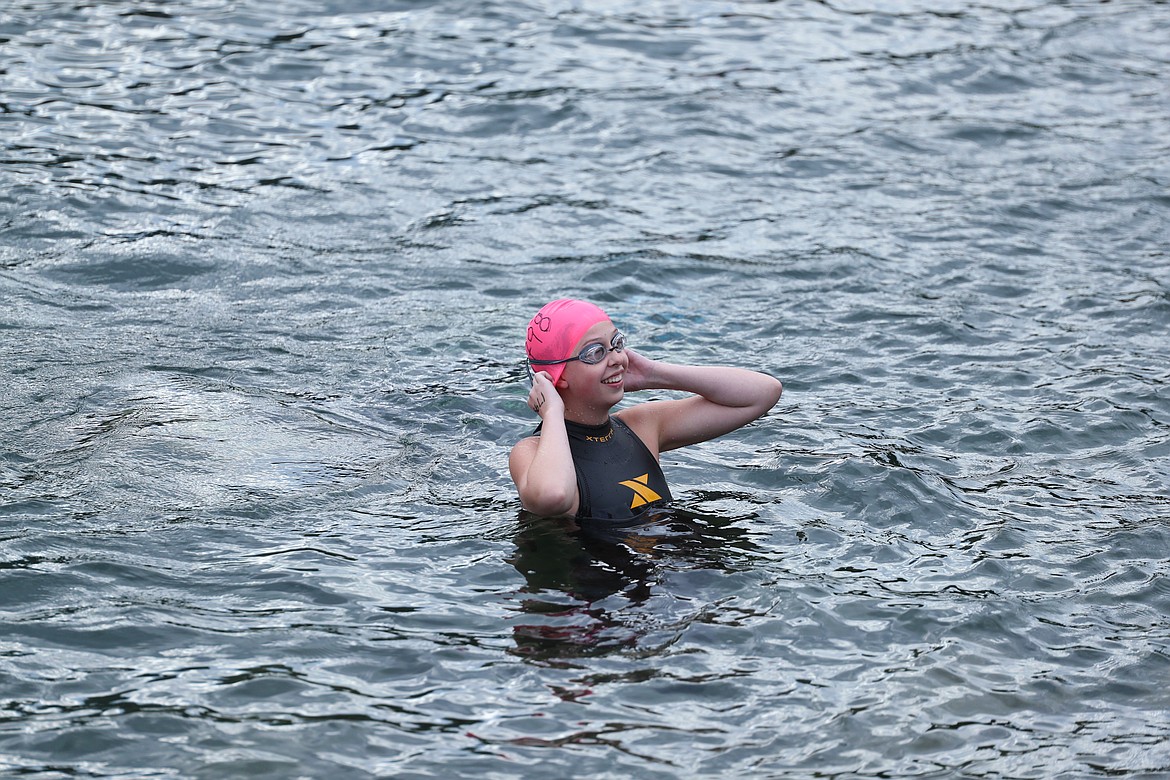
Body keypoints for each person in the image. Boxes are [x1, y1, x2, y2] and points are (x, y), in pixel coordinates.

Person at [510, 298, 783, 521]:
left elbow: (763, 393)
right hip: (607, 584)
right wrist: (553, 411)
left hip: (676, 572)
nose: (617, 359)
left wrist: (654, 374)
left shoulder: (641, 426)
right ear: (558, 376)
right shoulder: (530, 453)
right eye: (596, 353)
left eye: (617, 344)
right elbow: (553, 496)